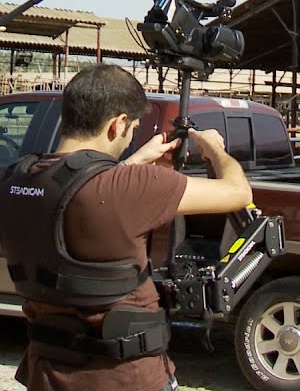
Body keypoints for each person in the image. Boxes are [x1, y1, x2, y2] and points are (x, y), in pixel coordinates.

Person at [0, 64, 253, 391]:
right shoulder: (132, 186)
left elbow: (74, 188)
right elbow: (238, 192)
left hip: (47, 374)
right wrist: (213, 149)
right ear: (117, 124)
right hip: (127, 377)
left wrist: (135, 163)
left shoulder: (14, 182)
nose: (132, 135)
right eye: (132, 128)